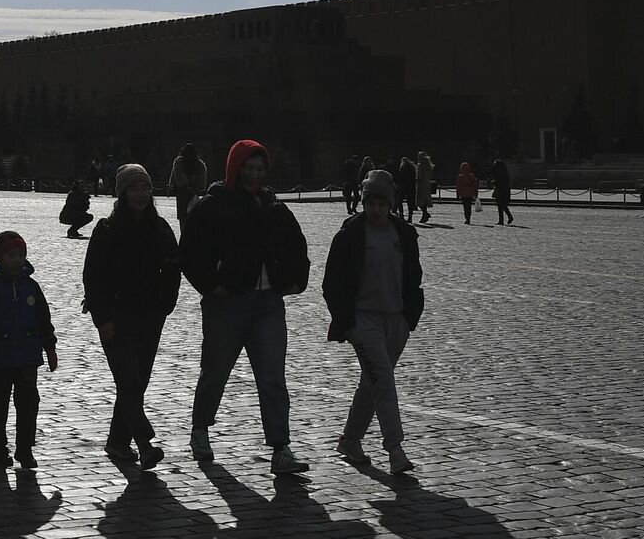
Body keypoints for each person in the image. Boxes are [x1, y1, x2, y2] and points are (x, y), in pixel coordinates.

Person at [179, 139, 312, 476]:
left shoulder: (272, 206)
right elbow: (191, 253)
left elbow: (297, 246)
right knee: (216, 370)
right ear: (234, 169)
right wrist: (213, 286)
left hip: (268, 303)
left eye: (259, 168)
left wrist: (296, 280)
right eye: (248, 168)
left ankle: (281, 447)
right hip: (228, 303)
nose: (254, 175)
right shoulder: (213, 206)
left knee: (272, 378)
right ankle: (200, 430)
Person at [323, 170, 423, 474]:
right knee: (384, 382)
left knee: (373, 382)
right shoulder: (350, 235)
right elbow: (332, 283)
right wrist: (347, 322)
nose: (376, 209)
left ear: (390, 203)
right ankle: (395, 449)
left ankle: (350, 439)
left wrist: (409, 317)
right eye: (371, 203)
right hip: (363, 321)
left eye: (381, 203)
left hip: (396, 321)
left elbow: (413, 275)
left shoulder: (403, 233)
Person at [82, 164, 180, 469]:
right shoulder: (107, 229)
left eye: (145, 187)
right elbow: (93, 277)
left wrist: (166, 304)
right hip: (118, 316)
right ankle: (145, 444)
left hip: (150, 317)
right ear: (122, 193)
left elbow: (174, 268)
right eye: (133, 188)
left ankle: (117, 443)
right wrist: (103, 319)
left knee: (136, 384)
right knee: (129, 381)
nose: (140, 194)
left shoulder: (161, 228)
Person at [0, 231, 58, 470]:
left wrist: (49, 346)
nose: (17, 260)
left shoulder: (32, 288)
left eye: (21, 255)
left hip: (27, 356)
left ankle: (25, 449)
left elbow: (43, 319)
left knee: (28, 404)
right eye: (11, 255)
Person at [167, 143, 205, 225]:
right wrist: (195, 188)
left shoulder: (178, 162)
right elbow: (202, 182)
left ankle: (183, 235)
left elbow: (177, 176)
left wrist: (175, 185)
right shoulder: (200, 164)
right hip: (194, 193)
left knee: (182, 217)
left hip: (182, 193)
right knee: (193, 215)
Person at [490, 157, 514, 225]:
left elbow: (498, 181)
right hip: (505, 190)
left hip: (500, 190)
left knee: (500, 206)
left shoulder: (498, 172)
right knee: (502, 206)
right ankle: (507, 218)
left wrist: (494, 182)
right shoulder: (505, 171)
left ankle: (503, 219)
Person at [413, 152, 435, 224]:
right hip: (427, 183)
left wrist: (416, 180)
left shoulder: (420, 165)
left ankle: (425, 213)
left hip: (421, 184)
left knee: (419, 200)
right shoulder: (429, 166)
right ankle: (425, 214)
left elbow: (419, 176)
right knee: (425, 200)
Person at [394, 157, 417, 221]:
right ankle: (410, 217)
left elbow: (400, 178)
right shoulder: (413, 169)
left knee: (400, 202)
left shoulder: (402, 169)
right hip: (410, 188)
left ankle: (401, 215)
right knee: (410, 203)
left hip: (402, 188)